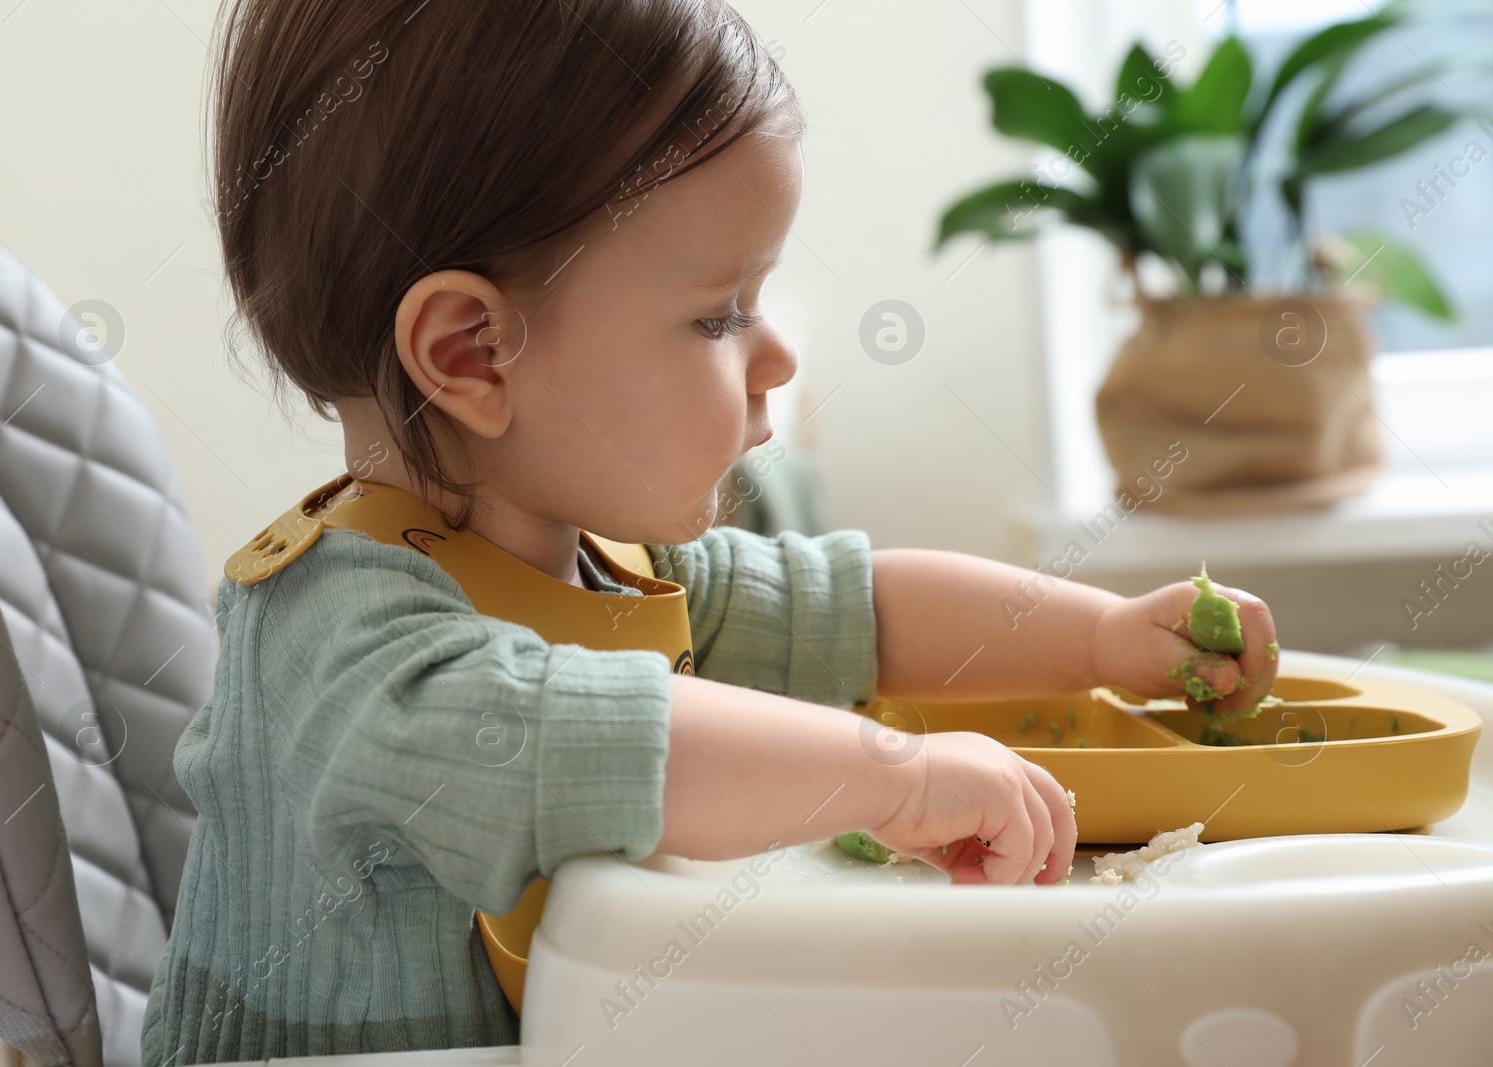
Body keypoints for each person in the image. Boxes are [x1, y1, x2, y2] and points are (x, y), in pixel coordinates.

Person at [140, 0, 1280, 1063]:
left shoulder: (600, 559)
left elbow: (857, 608)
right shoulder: (345, 651)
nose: (774, 355)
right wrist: (898, 775)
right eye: (719, 313)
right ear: (470, 354)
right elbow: (575, 732)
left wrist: (1102, 636)